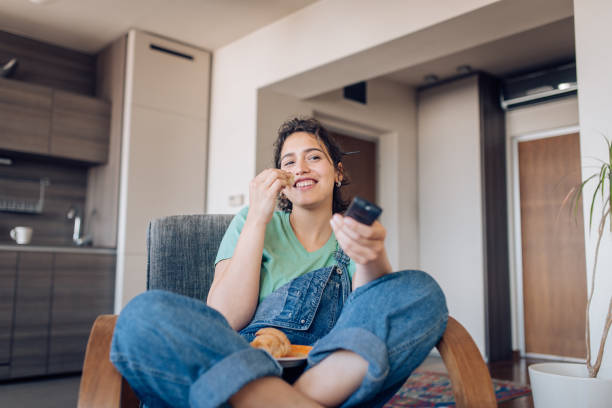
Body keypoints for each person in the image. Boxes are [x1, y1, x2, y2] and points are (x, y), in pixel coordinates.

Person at [110, 117, 448, 408]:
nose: (300, 167)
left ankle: (291, 399)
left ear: (338, 172)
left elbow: (367, 318)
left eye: (314, 157)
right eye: (288, 162)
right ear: (281, 180)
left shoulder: (353, 231)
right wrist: (258, 216)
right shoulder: (253, 221)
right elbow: (226, 318)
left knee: (423, 291)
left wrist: (372, 258)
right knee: (142, 315)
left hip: (329, 373)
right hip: (244, 363)